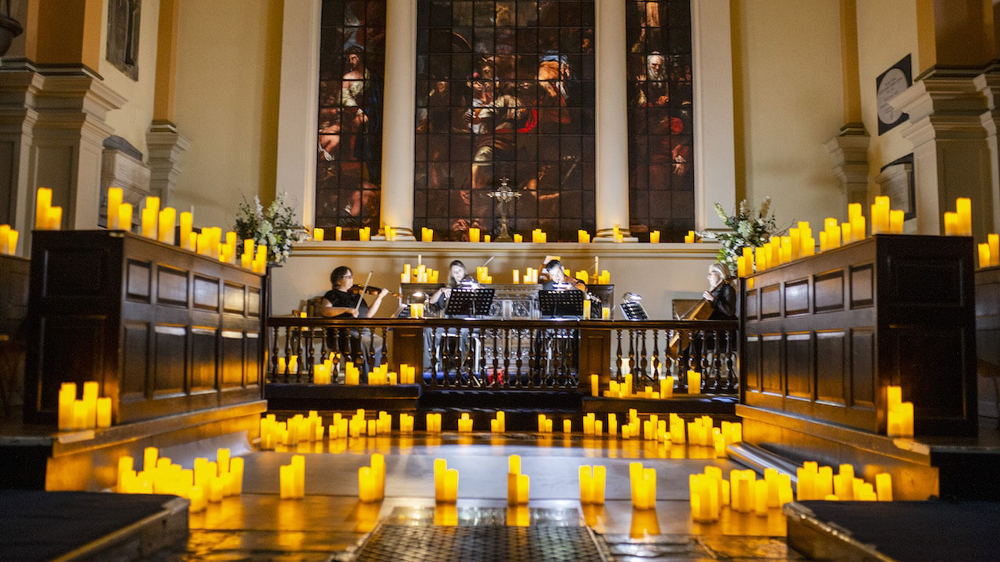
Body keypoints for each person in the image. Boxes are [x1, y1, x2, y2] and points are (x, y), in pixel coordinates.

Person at [321, 266, 390, 378]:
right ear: (338, 280)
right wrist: (347, 309)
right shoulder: (332, 294)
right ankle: (363, 376)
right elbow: (326, 310)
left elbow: (368, 315)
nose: (351, 280)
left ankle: (374, 376)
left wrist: (380, 297)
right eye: (348, 277)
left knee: (380, 343)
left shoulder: (357, 296)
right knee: (362, 344)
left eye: (351, 277)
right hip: (345, 331)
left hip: (363, 330)